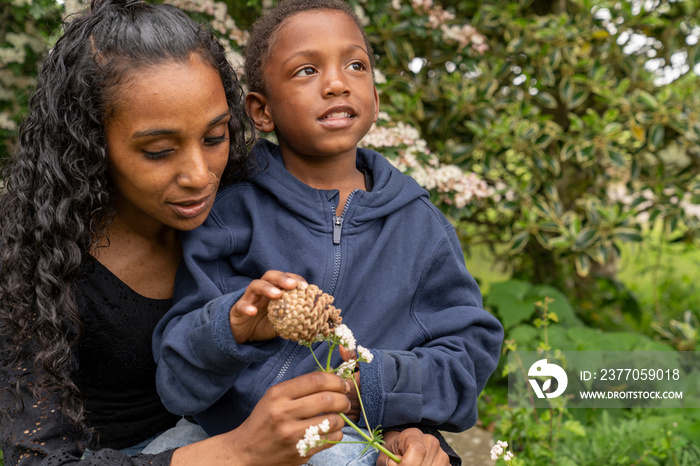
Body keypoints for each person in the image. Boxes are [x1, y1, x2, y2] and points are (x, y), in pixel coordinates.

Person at [0, 1, 449, 465]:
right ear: (88, 145)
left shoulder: (256, 206)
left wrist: (400, 428)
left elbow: (372, 341)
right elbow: (35, 460)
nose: (200, 175)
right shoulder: (32, 260)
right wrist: (240, 452)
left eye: (215, 137)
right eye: (158, 150)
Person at [153, 0, 504, 465]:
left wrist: (371, 386)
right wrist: (232, 325)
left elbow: (467, 356)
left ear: (375, 99)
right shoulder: (228, 212)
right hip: (228, 437)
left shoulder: (421, 228)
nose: (337, 83)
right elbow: (176, 377)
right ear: (261, 110)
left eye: (356, 65)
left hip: (351, 438)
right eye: (306, 70)